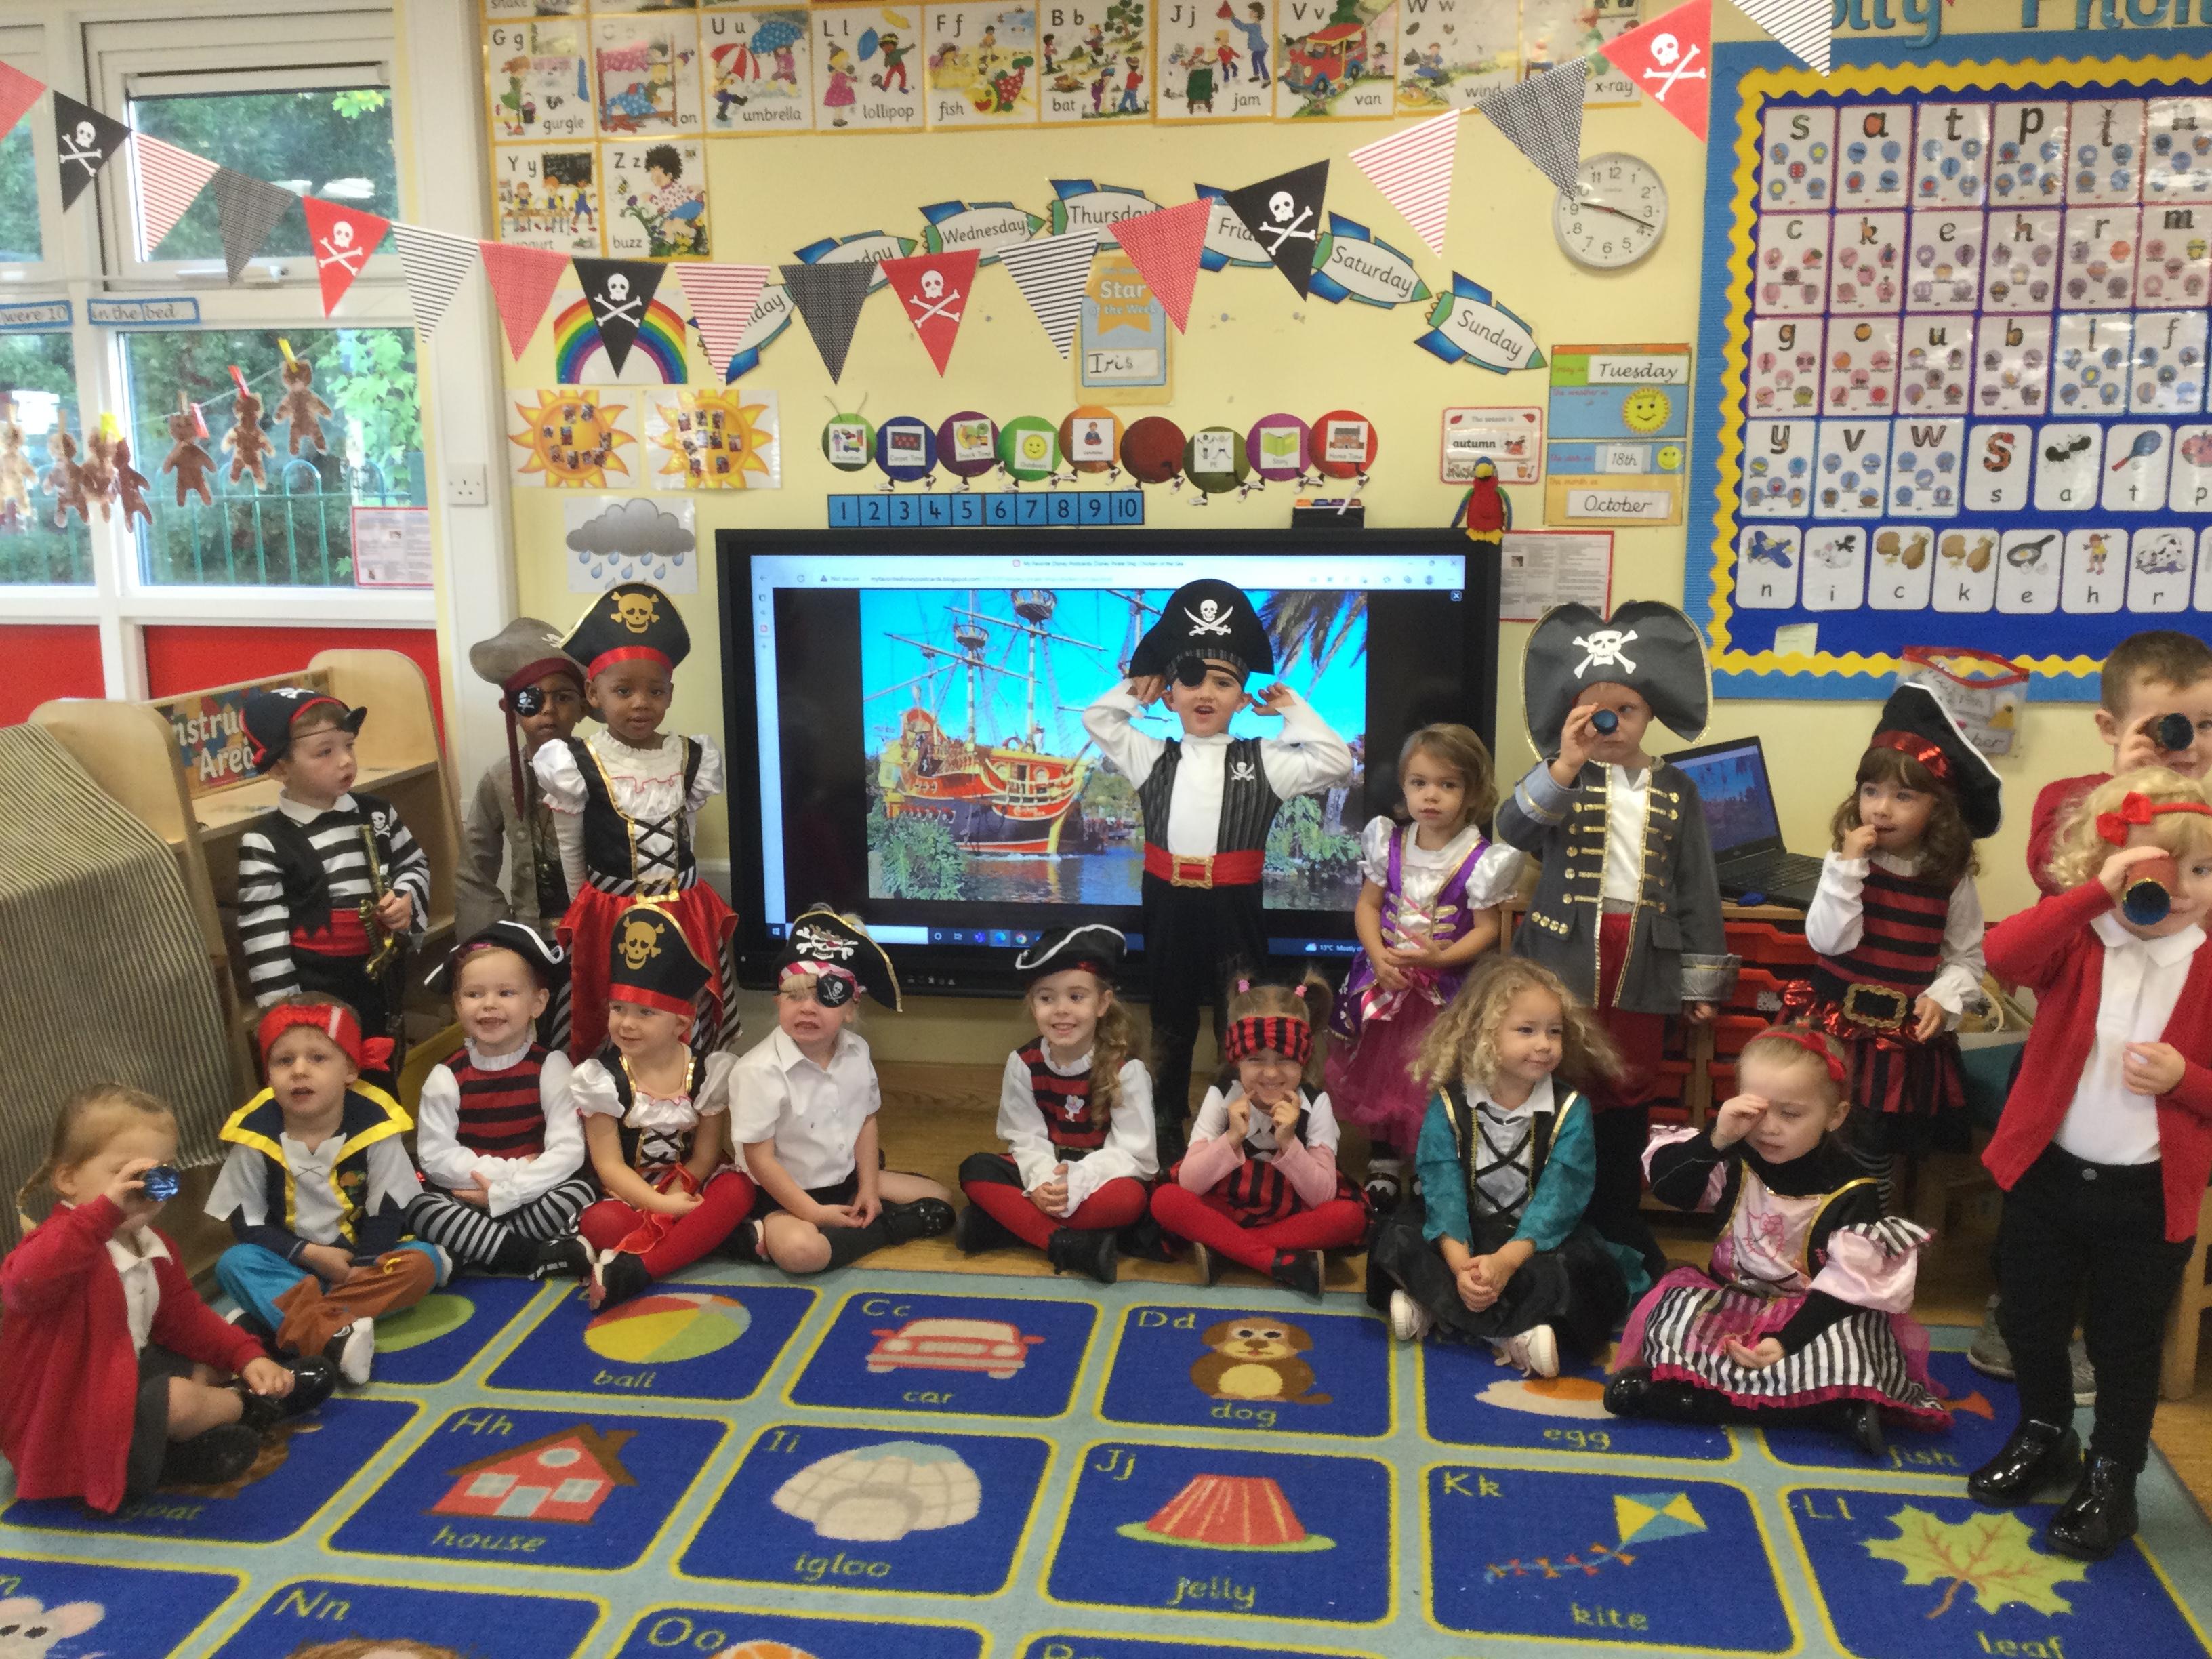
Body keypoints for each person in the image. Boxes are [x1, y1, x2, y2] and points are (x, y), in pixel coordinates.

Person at [1968, 769, 2212, 1561]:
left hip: (2147, 1197)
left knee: (2125, 1345)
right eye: (2163, 869)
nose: (2183, 889)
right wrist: (2093, 896)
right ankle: (2045, 1432)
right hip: (2048, 1177)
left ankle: (2113, 1475)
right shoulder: (2083, 938)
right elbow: (2001, 954)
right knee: (2029, 1322)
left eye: (2204, 870)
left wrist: (2186, 1080)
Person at [1494, 600, 1736, 1280]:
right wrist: (1564, 763)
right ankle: (1546, 1216)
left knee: (1627, 1090)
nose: (1610, 724)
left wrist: (1701, 982)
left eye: (1625, 710)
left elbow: (1696, 885)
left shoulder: (1678, 789)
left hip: (1644, 962)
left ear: (1649, 713)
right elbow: (1511, 829)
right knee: (1555, 1079)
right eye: (1594, 713)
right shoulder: (1558, 777)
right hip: (1560, 961)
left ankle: (1617, 1215)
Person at [1082, 579, 1353, 1163]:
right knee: (1171, 1013)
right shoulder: (1151, 757)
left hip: (1235, 906)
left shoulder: (1266, 760)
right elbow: (1099, 720)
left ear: (1241, 697)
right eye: (1190, 679)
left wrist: (1290, 708)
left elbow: (1336, 761)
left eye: (1224, 682)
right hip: (1168, 902)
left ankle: (1243, 1116)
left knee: (1241, 1014)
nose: (1206, 692)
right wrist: (1137, 685)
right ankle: (1166, 1118)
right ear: (1171, 695)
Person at [1607, 1026, 1950, 1454]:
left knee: (1858, 1340)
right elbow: (1669, 1188)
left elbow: (1846, 1289)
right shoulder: (1732, 1155)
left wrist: (1786, 1342)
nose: (1768, 1129)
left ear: (1835, 1115)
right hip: (1731, 1301)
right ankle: (1820, 1410)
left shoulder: (1853, 1188)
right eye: (1757, 1111)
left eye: (1790, 1115)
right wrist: (1716, 1138)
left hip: (1813, 1314)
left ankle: (1693, 1400)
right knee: (1671, 1310)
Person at [1, 1085, 335, 1511]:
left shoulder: (150, 1244)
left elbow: (187, 1320)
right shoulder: (61, 1244)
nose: (144, 1189)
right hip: (71, 1420)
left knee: (205, 1360)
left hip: (121, 1376)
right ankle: (251, 1406)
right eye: (127, 1175)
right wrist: (102, 1212)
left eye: (159, 1176)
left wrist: (246, 1356)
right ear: (68, 1180)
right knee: (178, 1400)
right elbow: (21, 1285)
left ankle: (191, 1441)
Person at [1366, 958, 1641, 1374]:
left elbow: (1560, 1199)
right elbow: (1443, 1192)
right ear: (1484, 1035)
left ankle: (1439, 1306)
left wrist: (1506, 1262)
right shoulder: (1449, 1104)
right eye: (1526, 1030)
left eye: (1554, 1031)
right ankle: (1508, 1329)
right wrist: (1461, 1265)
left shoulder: (1571, 1109)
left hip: (1533, 1242)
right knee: (1395, 1236)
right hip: (1466, 1234)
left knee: (1582, 1269)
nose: (1544, 1044)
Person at [1796, 686, 1998, 1210]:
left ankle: (1868, 1233)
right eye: (1871, 791)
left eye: (1904, 796)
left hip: (1895, 1045)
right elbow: (1827, 940)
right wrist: (1846, 870)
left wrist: (1945, 996)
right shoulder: (1846, 865)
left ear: (1938, 808)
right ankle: (1806, 1227)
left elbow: (1967, 956)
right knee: (1811, 1132)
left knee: (1871, 1151)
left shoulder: (1949, 878)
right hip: (1832, 1028)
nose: (1881, 809)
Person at [535, 582, 739, 1063]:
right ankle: (615, 1094)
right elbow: (571, 848)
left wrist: (680, 891)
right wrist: (583, 913)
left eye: (655, 690)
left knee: (680, 1006)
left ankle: (684, 1088)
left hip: (684, 908)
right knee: (616, 1010)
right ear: (594, 693)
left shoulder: (690, 756)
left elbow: (685, 833)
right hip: (611, 912)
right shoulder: (575, 762)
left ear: (671, 693)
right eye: (623, 691)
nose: (640, 703)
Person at [1326, 723, 1523, 1209]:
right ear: (1405, 787)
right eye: (1419, 783)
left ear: (1472, 793)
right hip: (1386, 980)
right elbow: (1368, 906)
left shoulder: (1482, 859)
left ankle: (1430, 1159)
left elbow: (1488, 930)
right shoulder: (1388, 842)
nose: (1430, 796)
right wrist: (1378, 956)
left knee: (1437, 1074)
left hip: (1446, 990)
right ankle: (1384, 1157)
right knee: (1383, 1068)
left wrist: (1440, 958)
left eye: (1447, 784)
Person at [207, 1000, 450, 1387]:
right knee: (234, 1263)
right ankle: (333, 1335)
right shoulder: (254, 1133)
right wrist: (310, 1254)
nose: (299, 1070)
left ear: (350, 1070)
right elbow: (247, 1223)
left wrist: (362, 1265)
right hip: (289, 1265)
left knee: (423, 1262)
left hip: (359, 1266)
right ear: (268, 1075)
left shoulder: (375, 1125)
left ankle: (283, 1323)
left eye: (318, 1058)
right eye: (284, 1061)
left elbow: (387, 1211)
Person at [726, 912, 956, 1274]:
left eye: (827, 997)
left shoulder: (857, 1052)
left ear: (851, 1008)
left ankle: (857, 1217)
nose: (807, 1007)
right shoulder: (757, 1071)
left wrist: (868, 1188)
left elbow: (866, 1121)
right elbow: (761, 1160)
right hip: (783, 1196)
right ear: (778, 1003)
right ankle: (885, 1229)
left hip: (845, 1181)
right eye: (794, 996)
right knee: (803, 1254)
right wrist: (813, 1213)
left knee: (942, 1198)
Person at [234, 685, 429, 1080]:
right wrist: (286, 1019)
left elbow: (413, 863)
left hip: (381, 977)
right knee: (328, 1077)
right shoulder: (266, 842)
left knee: (383, 1064)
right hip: (318, 990)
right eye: (325, 752)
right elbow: (265, 938)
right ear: (280, 768)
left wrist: (405, 898)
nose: (345, 761)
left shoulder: (378, 814)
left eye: (349, 745)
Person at [571, 906, 756, 1310]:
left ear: (681, 1023)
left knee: (738, 1188)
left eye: (645, 1013)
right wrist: (658, 1205)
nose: (627, 1023)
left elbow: (706, 1153)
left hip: (687, 1184)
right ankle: (710, 1240)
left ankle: (640, 1267)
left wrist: (679, 1190)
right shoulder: (600, 1079)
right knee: (600, 1223)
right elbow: (609, 1165)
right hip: (628, 1192)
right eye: (618, 1008)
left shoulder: (708, 1072)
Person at [1149, 968, 1369, 1300]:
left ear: (1303, 1059)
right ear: (1237, 1059)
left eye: (1285, 1059)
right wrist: (1231, 1138)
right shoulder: (1221, 1096)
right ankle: (1276, 1260)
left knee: (1348, 1217)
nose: (1270, 1073)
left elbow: (1323, 1197)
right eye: (1255, 1059)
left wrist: (1288, 1143)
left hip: (1293, 1211)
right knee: (1166, 1200)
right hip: (1228, 1206)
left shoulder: (1316, 1104)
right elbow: (1190, 1184)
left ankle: (1228, 1250)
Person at [956, 925, 1157, 1284]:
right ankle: (1072, 1245)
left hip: (1101, 1177)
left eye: (1076, 997)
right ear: (1033, 1005)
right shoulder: (1023, 1063)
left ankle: (1008, 1227)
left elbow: (1135, 1155)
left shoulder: (1126, 1071)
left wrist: (1078, 1181)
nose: (1061, 1010)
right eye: (1047, 998)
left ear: (1103, 1003)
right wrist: (1042, 1183)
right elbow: (1025, 1137)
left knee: (1130, 1200)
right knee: (976, 1169)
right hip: (1047, 1171)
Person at [403, 924, 595, 1282]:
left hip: (533, 1192)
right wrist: (504, 1177)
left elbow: (568, 1149)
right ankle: (533, 1256)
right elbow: (435, 1157)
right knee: (422, 1207)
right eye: (474, 994)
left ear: (538, 1003)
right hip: (469, 1195)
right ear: (458, 1004)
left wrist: (511, 1193)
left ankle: (476, 1251)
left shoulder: (552, 1066)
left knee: (579, 1192)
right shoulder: (446, 1076)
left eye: (506, 992)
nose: (489, 1004)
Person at [2026, 630, 2212, 897]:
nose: (2190, 743)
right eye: (2169, 729)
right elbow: (2052, 873)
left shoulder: (2206, 813)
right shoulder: (2067, 798)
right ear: (2111, 728)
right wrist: (2127, 790)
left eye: (2206, 724)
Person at [457, 618, 586, 943]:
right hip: (531, 930)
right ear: (512, 711)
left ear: (583, 707)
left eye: (563, 697)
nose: (549, 709)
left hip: (593, 925)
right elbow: (475, 869)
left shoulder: (602, 770)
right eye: (532, 699)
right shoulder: (500, 779)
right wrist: (495, 937)